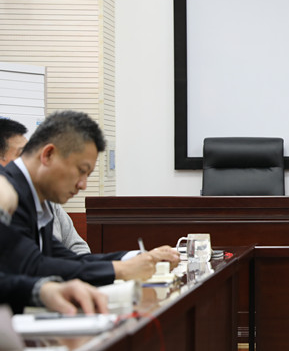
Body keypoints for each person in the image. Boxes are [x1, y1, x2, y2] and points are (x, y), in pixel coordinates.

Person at [0, 110, 179, 285]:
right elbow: (32, 267)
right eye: (81, 171)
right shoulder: (8, 193)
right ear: (48, 155)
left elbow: (69, 260)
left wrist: (138, 258)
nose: (83, 185)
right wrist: (121, 270)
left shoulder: (36, 198)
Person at [0, 175, 107, 315]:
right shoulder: (10, 196)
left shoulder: (50, 205)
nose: (83, 185)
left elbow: (75, 248)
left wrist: (48, 290)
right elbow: (32, 263)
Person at [0, 118, 91, 254]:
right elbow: (32, 262)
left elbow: (74, 249)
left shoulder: (46, 200)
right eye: (22, 155)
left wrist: (114, 264)